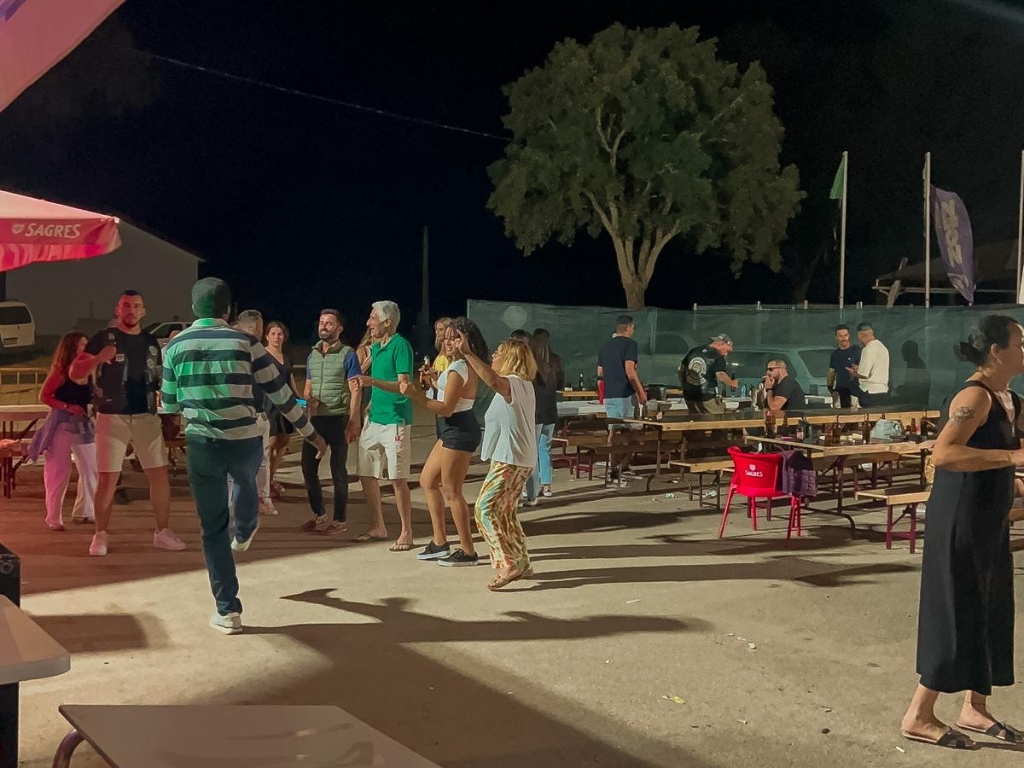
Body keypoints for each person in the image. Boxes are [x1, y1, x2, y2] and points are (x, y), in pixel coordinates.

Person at [161, 278, 325, 635]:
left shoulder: (174, 346)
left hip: (202, 442)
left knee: (212, 530)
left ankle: (228, 611)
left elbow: (170, 403)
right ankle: (247, 525)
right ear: (228, 310)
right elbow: (281, 395)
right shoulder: (247, 342)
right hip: (245, 437)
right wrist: (311, 434)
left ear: (194, 308)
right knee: (246, 479)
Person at [901, 315, 1024, 749]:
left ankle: (975, 706)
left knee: (991, 608)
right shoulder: (975, 396)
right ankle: (918, 715)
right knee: (956, 610)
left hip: (990, 520)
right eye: (1019, 343)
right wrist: (1011, 460)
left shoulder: (1011, 399)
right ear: (996, 351)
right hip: (959, 520)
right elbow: (944, 454)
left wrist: (1014, 479)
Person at [70, 290, 185, 557]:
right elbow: (75, 372)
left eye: (136, 306)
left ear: (144, 311)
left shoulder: (151, 342)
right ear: (117, 309)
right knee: (107, 478)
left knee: (159, 475)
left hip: (146, 416)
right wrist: (98, 358)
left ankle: (163, 532)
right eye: (126, 305)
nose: (131, 310)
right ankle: (100, 535)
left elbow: (160, 379)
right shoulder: (103, 338)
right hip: (112, 416)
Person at [401, 317, 487, 566]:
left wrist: (415, 394)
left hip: (458, 429)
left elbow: (447, 407)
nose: (448, 343)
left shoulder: (460, 367)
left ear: (466, 341)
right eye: (447, 338)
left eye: (455, 338)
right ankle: (440, 542)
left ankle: (468, 551)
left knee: (452, 491)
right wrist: (433, 381)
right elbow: (450, 392)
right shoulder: (459, 365)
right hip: (454, 428)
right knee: (427, 480)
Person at [461, 336, 538, 590]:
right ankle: (522, 562)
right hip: (518, 457)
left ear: (510, 359)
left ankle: (508, 562)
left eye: (498, 353)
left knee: (483, 509)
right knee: (505, 513)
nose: (493, 356)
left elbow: (493, 381)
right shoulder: (523, 385)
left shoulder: (514, 383)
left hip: (510, 459)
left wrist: (468, 354)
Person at [355, 300, 416, 550]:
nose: (369, 323)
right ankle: (378, 526)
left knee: (397, 478)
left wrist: (373, 382)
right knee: (366, 472)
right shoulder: (377, 348)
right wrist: (370, 403)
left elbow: (403, 385)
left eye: (373, 318)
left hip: (395, 420)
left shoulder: (400, 346)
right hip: (374, 419)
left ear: (387, 322)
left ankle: (406, 532)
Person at [302, 309, 362, 535]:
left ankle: (339, 521)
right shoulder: (313, 355)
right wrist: (308, 400)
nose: (324, 326)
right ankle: (319, 514)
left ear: (339, 329)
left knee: (338, 470)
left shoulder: (348, 354)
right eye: (321, 322)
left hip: (338, 419)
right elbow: (308, 386)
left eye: (329, 323)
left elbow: (355, 389)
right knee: (308, 467)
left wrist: (354, 419)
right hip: (316, 420)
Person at [29, 332, 97, 530]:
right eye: (81, 344)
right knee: (58, 470)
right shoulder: (60, 371)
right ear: (71, 347)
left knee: (91, 467)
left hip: (84, 424)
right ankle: (53, 517)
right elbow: (45, 395)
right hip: (62, 423)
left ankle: (86, 510)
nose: (85, 347)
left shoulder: (90, 370)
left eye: (86, 343)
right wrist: (66, 406)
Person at [233, 310, 277, 517]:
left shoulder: (260, 353)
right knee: (236, 462)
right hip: (238, 416)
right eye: (255, 329)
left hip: (259, 414)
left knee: (263, 460)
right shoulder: (233, 351)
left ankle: (263, 499)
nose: (258, 333)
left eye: (260, 329)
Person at [597, 316, 647, 483]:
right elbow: (630, 371)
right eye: (632, 328)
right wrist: (641, 392)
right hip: (625, 393)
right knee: (630, 431)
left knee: (613, 431)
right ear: (628, 328)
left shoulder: (605, 346)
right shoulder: (630, 344)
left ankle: (613, 468)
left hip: (609, 394)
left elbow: (599, 372)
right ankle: (623, 466)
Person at [524, 328, 564, 504]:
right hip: (551, 410)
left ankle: (531, 489)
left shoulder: (531, 361)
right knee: (545, 449)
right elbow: (560, 383)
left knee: (531, 451)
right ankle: (546, 486)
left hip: (534, 411)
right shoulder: (556, 360)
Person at [263, 321, 299, 496]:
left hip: (286, 404)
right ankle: (264, 482)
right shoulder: (262, 356)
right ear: (267, 336)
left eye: (280, 334)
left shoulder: (287, 357)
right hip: (268, 404)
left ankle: (270, 479)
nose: (277, 337)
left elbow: (290, 379)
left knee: (283, 442)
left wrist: (300, 401)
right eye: (273, 334)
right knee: (269, 444)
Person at [681, 334, 738, 414]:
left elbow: (682, 369)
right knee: (717, 419)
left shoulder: (693, 351)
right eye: (727, 351)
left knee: (695, 418)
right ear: (721, 344)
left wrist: (684, 385)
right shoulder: (717, 356)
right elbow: (721, 376)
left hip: (689, 395)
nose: (726, 354)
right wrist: (732, 383)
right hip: (707, 396)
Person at [847, 322, 889, 406]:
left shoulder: (868, 349)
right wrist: (859, 367)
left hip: (870, 392)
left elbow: (864, 374)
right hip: (883, 390)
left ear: (860, 335)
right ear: (872, 332)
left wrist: (853, 373)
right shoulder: (882, 347)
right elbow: (876, 368)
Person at [827, 325, 861, 409]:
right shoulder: (835, 354)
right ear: (836, 337)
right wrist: (831, 389)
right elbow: (831, 372)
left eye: (845, 335)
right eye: (840, 336)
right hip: (840, 392)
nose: (843, 338)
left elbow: (865, 369)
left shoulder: (857, 350)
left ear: (849, 335)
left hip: (855, 393)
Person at [896, 340, 931, 406]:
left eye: (904, 351)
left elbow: (913, 388)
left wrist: (899, 390)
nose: (903, 354)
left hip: (916, 403)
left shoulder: (915, 365)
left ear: (910, 352)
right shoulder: (913, 363)